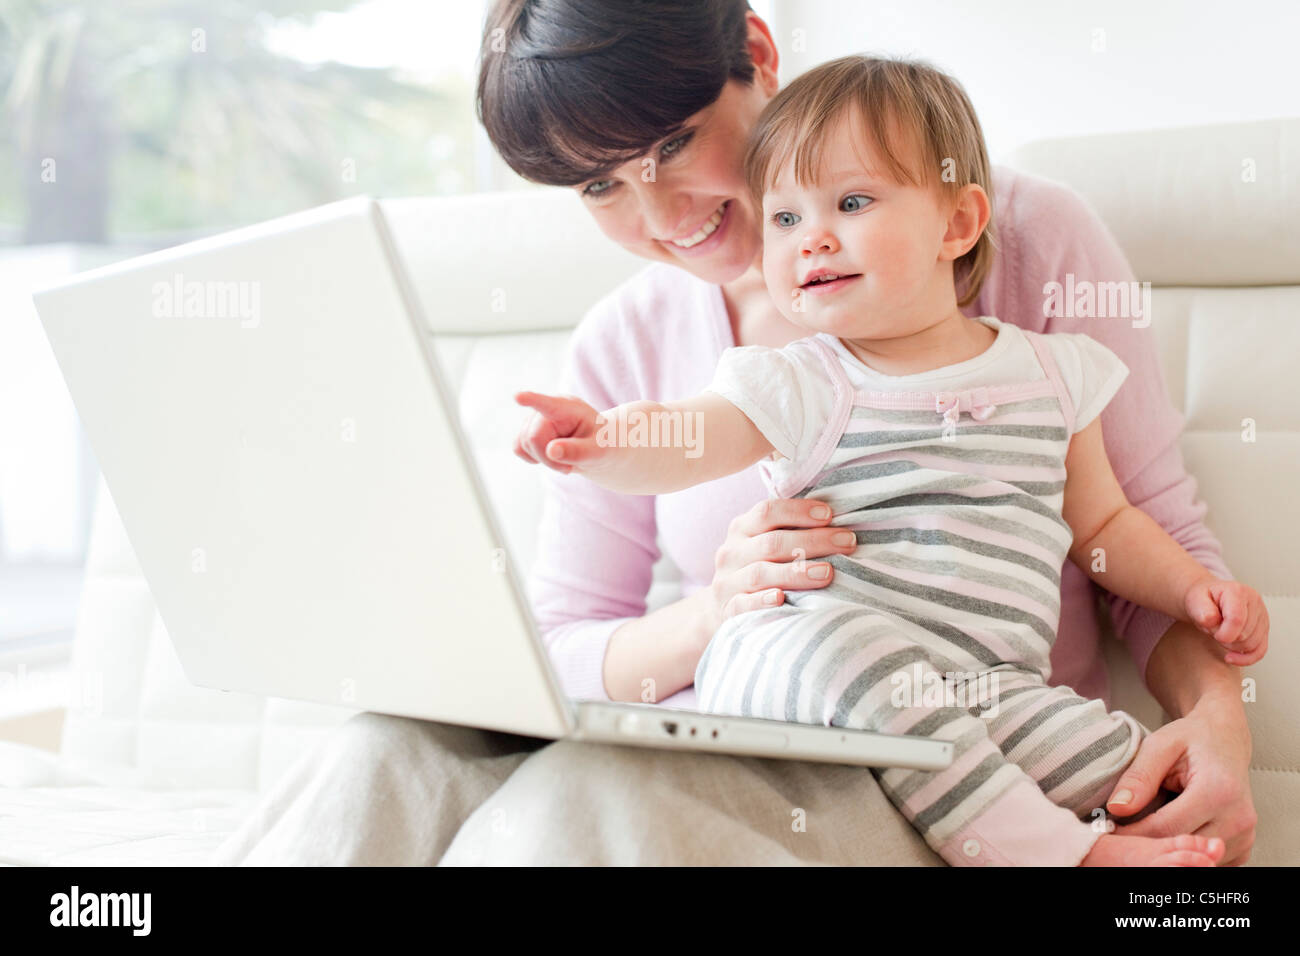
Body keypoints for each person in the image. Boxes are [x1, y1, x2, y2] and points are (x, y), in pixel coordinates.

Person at [210, 0, 1258, 866]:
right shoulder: (625, 342)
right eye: (597, 185)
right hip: (737, 702)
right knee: (385, 748)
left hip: (928, 760)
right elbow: (563, 640)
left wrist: (1218, 722)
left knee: (583, 798)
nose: (658, 213)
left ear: (755, 53)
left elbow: (1133, 531)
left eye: (670, 144)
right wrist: (714, 610)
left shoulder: (1021, 243)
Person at [512, 54, 1268, 867]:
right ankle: (1055, 857)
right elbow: (688, 437)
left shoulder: (1055, 374)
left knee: (1141, 775)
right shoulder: (799, 379)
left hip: (981, 691)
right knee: (850, 659)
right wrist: (599, 443)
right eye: (785, 219)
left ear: (957, 222)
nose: (814, 239)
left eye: (852, 203)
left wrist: (1192, 591)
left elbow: (1110, 523)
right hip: (800, 666)